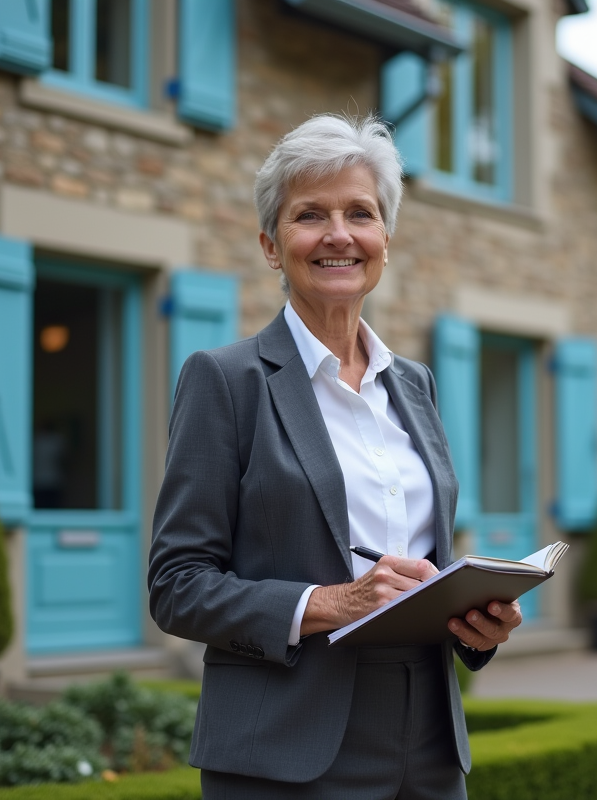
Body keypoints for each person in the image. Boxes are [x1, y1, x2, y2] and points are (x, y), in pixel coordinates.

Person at [147, 114, 523, 799]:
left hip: (431, 744)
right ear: (271, 245)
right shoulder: (225, 381)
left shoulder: (415, 384)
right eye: (310, 215)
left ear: (386, 239)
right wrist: (331, 603)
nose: (339, 234)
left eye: (360, 213)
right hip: (284, 745)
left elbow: (426, 563)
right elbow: (177, 586)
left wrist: (477, 624)